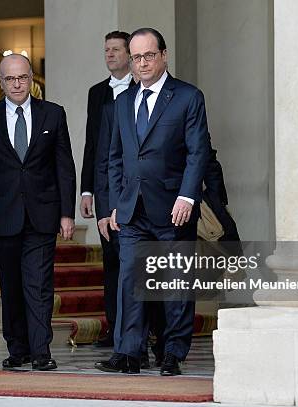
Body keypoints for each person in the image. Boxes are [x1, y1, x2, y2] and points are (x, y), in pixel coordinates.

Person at [95, 27, 213, 376]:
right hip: (132, 210)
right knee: (130, 280)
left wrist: (188, 196)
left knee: (175, 285)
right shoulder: (121, 103)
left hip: (173, 208)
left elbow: (198, 152)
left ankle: (172, 352)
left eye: (149, 55)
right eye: (136, 57)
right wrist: (116, 202)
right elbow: (114, 157)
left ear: (164, 55)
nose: (142, 62)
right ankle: (128, 353)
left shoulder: (188, 97)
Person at [0, 54, 76, 371]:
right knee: (10, 285)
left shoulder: (53, 114)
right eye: (10, 79)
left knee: (38, 283)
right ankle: (18, 348)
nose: (17, 84)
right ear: (1, 83)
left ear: (32, 77)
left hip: (43, 213)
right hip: (3, 212)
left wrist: (67, 214)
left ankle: (41, 351)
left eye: (22, 77)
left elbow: (64, 166)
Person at [80, 30, 133, 347]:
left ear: (129, 54)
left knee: (137, 261)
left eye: (115, 49)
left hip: (135, 188)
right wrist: (87, 189)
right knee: (111, 261)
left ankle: (141, 330)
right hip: (105, 188)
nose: (110, 55)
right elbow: (92, 144)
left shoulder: (143, 88)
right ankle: (115, 329)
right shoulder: (96, 92)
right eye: (107, 50)